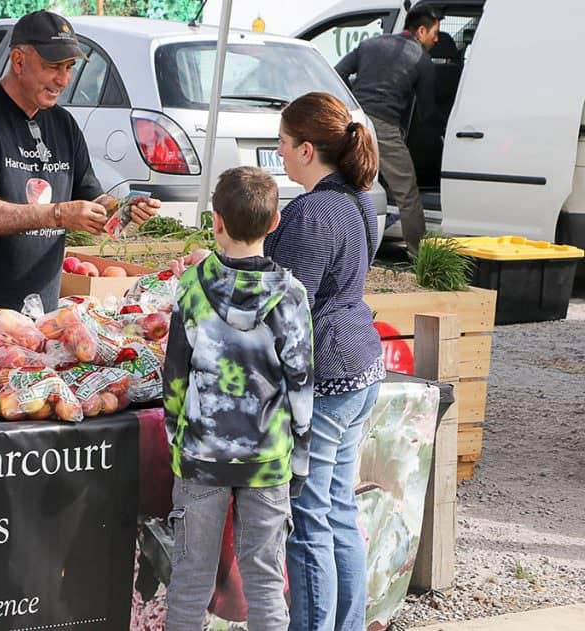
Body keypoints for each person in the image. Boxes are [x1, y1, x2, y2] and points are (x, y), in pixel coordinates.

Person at [0, 10, 161, 347]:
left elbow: (93, 198)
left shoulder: (64, 126)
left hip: (35, 318)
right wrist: (58, 214)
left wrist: (123, 211)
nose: (63, 79)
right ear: (18, 60)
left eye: (69, 67)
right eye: (53, 67)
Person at [163, 166, 314, 631]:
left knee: (190, 582)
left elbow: (175, 377)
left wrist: (178, 440)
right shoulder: (292, 297)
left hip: (201, 457)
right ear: (274, 223)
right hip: (268, 459)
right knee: (266, 585)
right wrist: (300, 461)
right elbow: (301, 386)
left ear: (216, 221)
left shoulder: (191, 288)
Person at [264, 92, 385, 631]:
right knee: (337, 509)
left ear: (307, 149)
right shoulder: (360, 201)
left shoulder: (314, 211)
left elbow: (289, 304)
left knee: (310, 518)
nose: (281, 155)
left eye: (285, 145)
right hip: (359, 364)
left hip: (328, 375)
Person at [334, 5, 441, 255]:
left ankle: (341, 249)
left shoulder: (370, 45)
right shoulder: (422, 60)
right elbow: (427, 112)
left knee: (346, 184)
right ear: (421, 30)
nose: (437, 39)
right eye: (435, 33)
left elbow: (338, 74)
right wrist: (441, 135)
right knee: (407, 193)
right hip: (384, 127)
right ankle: (420, 256)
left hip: (352, 120)